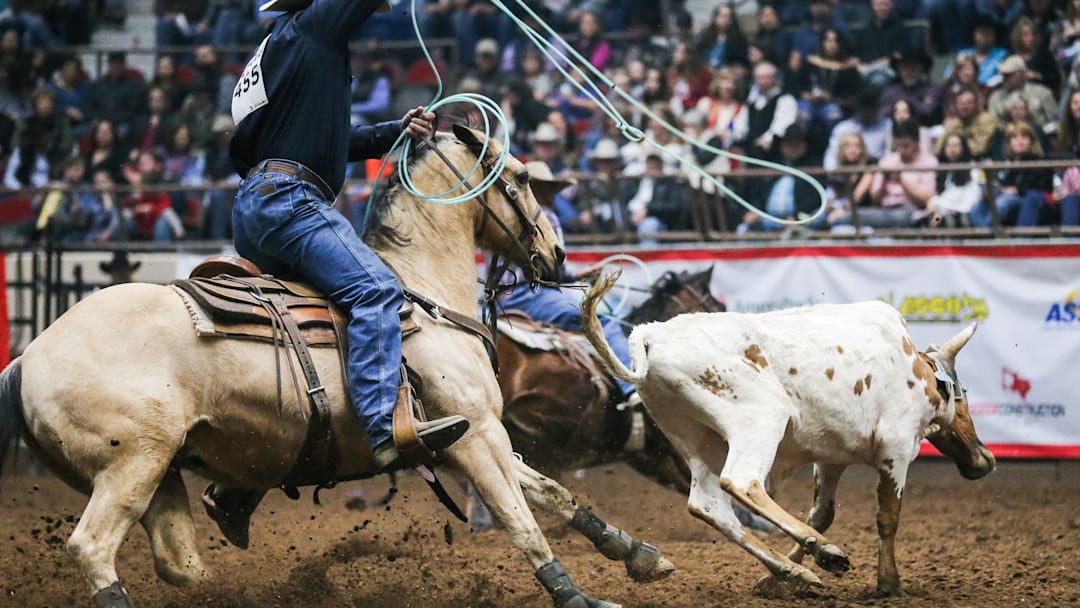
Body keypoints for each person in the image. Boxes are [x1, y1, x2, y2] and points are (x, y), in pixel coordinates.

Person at [201, 0, 469, 550]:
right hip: (291, 199)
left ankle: (237, 488)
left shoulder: (282, 47)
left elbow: (325, 141)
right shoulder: (313, 27)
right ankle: (382, 430)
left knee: (303, 332)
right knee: (375, 290)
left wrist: (395, 130)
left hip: (261, 202)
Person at [498, 160, 639, 408]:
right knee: (600, 321)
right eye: (550, 192)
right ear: (537, 191)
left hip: (500, 299)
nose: (553, 198)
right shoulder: (544, 217)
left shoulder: (504, 215)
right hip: (531, 296)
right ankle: (632, 387)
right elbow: (553, 269)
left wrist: (576, 274)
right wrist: (576, 275)